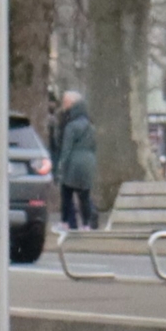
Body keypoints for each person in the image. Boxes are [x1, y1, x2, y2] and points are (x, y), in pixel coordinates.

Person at [54, 90, 97, 230]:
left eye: (65, 102)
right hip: (88, 161)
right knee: (84, 195)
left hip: (73, 162)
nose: (63, 105)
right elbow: (93, 146)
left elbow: (66, 149)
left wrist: (61, 166)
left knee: (66, 192)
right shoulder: (91, 126)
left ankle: (65, 222)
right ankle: (86, 224)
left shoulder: (70, 126)